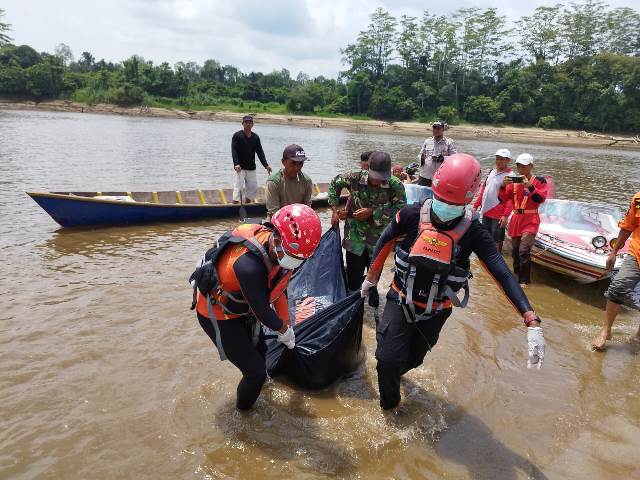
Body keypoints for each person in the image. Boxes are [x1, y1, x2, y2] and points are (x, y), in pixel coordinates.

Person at [359, 153, 546, 410]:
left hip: (436, 311)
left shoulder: (474, 233)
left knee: (411, 361)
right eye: (441, 199)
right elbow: (385, 240)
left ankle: (394, 368)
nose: (445, 205)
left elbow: (501, 273)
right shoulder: (411, 214)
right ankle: (390, 409)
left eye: (452, 202)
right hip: (400, 299)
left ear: (467, 199)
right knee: (387, 361)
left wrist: (531, 318)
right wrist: (371, 279)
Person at [191, 204, 322, 410]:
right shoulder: (248, 266)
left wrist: (286, 321)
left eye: (299, 259)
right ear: (276, 237)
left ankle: (260, 390)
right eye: (292, 256)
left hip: (245, 306)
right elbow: (262, 311)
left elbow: (279, 289)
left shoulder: (283, 254)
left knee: (261, 352)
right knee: (255, 372)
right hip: (218, 313)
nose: (294, 262)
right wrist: (283, 330)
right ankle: (244, 417)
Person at [328, 151, 406, 305]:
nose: (377, 181)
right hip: (355, 235)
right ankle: (353, 303)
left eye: (381, 177)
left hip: (379, 238)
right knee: (354, 277)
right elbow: (334, 184)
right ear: (367, 169)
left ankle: (372, 290)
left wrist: (373, 213)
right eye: (374, 176)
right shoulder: (353, 177)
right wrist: (334, 210)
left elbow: (401, 212)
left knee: (374, 274)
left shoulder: (396, 185)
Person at [592, 191, 640, 350]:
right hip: (637, 254)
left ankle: (638, 334)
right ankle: (606, 331)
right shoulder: (638, 198)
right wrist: (614, 253)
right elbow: (628, 226)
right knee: (618, 286)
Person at [500, 153, 548, 285]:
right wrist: (503, 186)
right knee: (515, 251)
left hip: (531, 219)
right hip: (516, 219)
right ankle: (516, 276)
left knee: (523, 250)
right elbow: (504, 199)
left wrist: (530, 187)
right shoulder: (513, 181)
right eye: (519, 166)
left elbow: (541, 199)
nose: (521, 169)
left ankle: (525, 282)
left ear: (531, 166)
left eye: (524, 166)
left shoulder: (540, 181)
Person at [474, 148, 513, 253]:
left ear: (508, 160)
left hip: (499, 215)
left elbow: (511, 198)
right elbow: (483, 191)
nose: (498, 161)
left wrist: (505, 215)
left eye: (502, 159)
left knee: (497, 240)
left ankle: (497, 258)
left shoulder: (510, 176)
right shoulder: (491, 172)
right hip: (486, 211)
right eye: (497, 158)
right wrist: (475, 206)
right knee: (485, 238)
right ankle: (485, 258)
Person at [231, 115, 272, 204]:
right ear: (242, 124)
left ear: (253, 124)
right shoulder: (237, 136)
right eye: (246, 122)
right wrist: (236, 164)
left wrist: (266, 165)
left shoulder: (255, 138)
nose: (248, 124)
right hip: (240, 168)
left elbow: (260, 152)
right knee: (238, 187)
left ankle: (246, 204)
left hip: (251, 168)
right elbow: (234, 151)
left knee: (253, 188)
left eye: (250, 122)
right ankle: (233, 206)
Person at [265, 144, 313, 219]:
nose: (297, 167)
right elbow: (274, 213)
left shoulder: (307, 181)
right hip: (277, 222)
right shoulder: (274, 182)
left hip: (298, 221)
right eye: (293, 163)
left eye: (301, 163)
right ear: (283, 162)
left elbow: (307, 209)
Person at [417, 120, 457, 186]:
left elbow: (455, 159)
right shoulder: (427, 141)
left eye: (438, 128)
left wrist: (443, 158)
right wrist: (421, 158)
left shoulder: (449, 142)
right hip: (424, 176)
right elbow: (419, 155)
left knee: (437, 196)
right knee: (421, 195)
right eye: (434, 128)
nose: (436, 130)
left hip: (440, 178)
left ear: (443, 129)